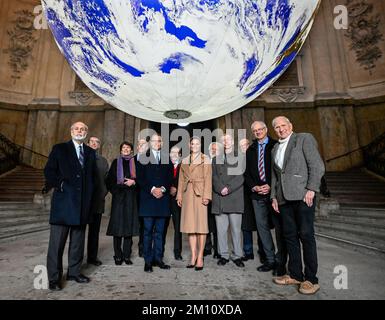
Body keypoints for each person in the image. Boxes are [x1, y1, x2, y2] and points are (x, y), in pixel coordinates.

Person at [271, 116, 325, 295]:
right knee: (290, 237)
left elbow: (317, 166)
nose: (281, 129)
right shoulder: (274, 149)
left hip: (303, 197)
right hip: (283, 199)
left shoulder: (304, 138)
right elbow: (275, 177)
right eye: (277, 127)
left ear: (290, 126)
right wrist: (273, 197)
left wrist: (311, 189)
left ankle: (311, 279)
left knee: (306, 236)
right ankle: (295, 274)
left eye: (283, 125)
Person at [44, 122, 96, 291]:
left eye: (82, 129)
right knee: (56, 245)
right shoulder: (59, 148)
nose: (79, 131)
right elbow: (49, 171)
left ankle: (74, 272)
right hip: (63, 205)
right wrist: (60, 185)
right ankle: (54, 278)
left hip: (82, 206)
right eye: (76, 128)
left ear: (86, 133)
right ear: (71, 131)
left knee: (77, 243)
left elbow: (92, 177)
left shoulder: (90, 152)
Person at [244, 121, 287, 276]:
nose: (258, 132)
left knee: (280, 229)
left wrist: (270, 185)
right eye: (255, 131)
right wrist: (254, 186)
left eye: (260, 129)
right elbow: (246, 173)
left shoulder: (276, 146)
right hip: (256, 194)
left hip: (274, 194)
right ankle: (270, 260)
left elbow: (281, 170)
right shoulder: (250, 150)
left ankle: (281, 262)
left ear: (266, 130)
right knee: (262, 229)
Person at [136, 133, 174, 273]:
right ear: (150, 142)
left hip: (162, 201)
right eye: (154, 141)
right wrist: (152, 189)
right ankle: (148, 261)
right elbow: (140, 178)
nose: (157, 143)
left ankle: (158, 259)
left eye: (159, 141)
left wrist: (163, 189)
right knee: (147, 232)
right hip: (148, 200)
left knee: (160, 232)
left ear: (162, 143)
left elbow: (170, 176)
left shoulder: (166, 157)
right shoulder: (143, 157)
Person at [177, 137, 212, 271]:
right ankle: (193, 255)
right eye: (193, 143)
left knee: (201, 227)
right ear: (189, 145)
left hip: (200, 194)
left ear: (200, 145)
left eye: (197, 143)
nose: (195, 145)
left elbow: (208, 179)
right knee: (190, 226)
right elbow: (181, 180)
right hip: (187, 194)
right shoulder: (185, 160)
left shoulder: (205, 159)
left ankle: (200, 257)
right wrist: (179, 195)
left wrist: (207, 196)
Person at [212, 134, 245, 267]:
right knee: (221, 230)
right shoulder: (215, 159)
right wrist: (220, 188)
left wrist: (228, 188)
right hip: (219, 197)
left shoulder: (240, 157)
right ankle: (224, 255)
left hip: (234, 197)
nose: (226, 142)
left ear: (232, 141)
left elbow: (241, 176)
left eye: (228, 139)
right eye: (223, 140)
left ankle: (237, 255)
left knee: (236, 230)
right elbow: (213, 177)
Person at [106, 142, 139, 265]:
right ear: (121, 150)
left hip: (131, 198)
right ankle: (118, 255)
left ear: (131, 150)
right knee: (117, 228)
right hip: (119, 199)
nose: (126, 149)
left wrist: (134, 182)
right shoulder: (116, 162)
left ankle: (126, 256)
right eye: (123, 148)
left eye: (128, 148)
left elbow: (140, 179)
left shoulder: (135, 162)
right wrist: (115, 191)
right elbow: (108, 180)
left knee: (128, 229)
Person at [86, 136, 109, 267]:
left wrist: (103, 193)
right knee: (79, 231)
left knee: (94, 232)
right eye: (92, 142)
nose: (94, 144)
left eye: (97, 142)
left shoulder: (103, 161)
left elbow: (106, 180)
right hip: (83, 202)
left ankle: (92, 257)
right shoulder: (81, 158)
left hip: (97, 202)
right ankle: (76, 259)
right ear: (88, 144)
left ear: (99, 145)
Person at [239, 138, 262, 263]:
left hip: (256, 193)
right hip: (243, 196)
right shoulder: (238, 160)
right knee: (245, 225)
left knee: (260, 224)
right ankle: (248, 252)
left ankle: (262, 251)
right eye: (241, 146)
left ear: (249, 145)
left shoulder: (256, 157)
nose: (244, 147)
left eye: (245, 145)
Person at [162, 145, 183, 260]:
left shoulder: (183, 166)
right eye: (172, 152)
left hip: (177, 200)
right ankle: (160, 250)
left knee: (178, 227)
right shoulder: (165, 166)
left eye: (176, 153)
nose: (174, 155)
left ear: (180, 155)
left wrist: (177, 189)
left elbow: (186, 181)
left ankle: (177, 252)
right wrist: (168, 187)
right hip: (165, 199)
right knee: (162, 227)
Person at [204, 142, 220, 259]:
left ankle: (218, 250)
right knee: (207, 223)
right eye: (212, 149)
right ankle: (207, 247)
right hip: (207, 197)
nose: (214, 151)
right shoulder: (206, 161)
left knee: (218, 224)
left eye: (216, 149)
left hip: (218, 197)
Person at [135, 138, 149, 258]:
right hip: (133, 197)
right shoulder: (131, 160)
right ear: (137, 147)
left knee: (145, 224)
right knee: (135, 223)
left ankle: (143, 248)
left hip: (147, 196)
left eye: (144, 145)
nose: (142, 146)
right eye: (140, 144)